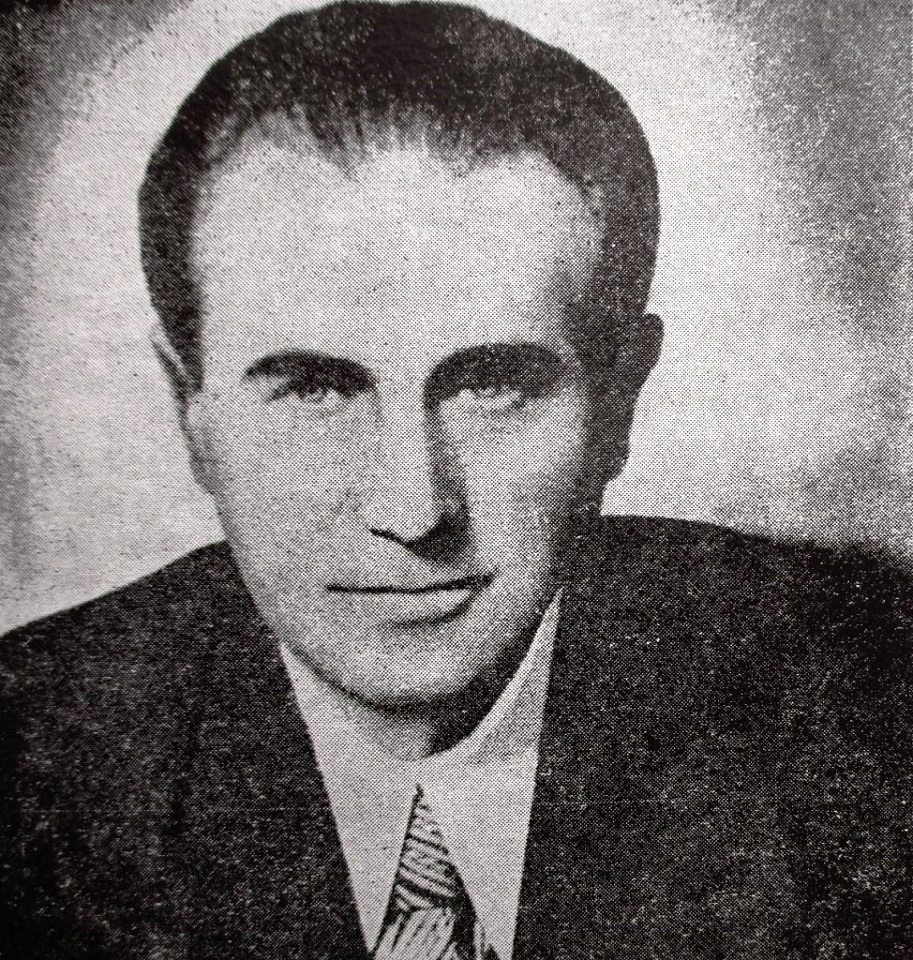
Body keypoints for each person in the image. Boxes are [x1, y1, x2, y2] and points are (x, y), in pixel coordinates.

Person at [1, 3, 910, 958]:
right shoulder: (32, 763)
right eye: (315, 389)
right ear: (190, 407)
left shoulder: (870, 706)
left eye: (491, 385)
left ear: (618, 402)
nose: (413, 509)